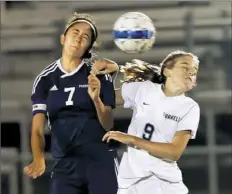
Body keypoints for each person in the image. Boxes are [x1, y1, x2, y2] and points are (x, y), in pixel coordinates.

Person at [24, 12, 119, 194]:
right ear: (63, 38)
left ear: (89, 47)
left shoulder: (98, 74)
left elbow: (108, 125)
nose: (78, 38)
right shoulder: (44, 79)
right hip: (65, 165)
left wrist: (96, 98)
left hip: (100, 162)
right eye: (75, 32)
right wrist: (38, 158)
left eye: (85, 37)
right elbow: (37, 129)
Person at [102, 50, 200, 194]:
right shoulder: (144, 89)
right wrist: (109, 75)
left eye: (194, 70)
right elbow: (104, 98)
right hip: (131, 182)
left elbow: (174, 152)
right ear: (167, 71)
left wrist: (132, 139)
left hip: (164, 183)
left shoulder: (189, 107)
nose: (191, 72)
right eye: (185, 67)